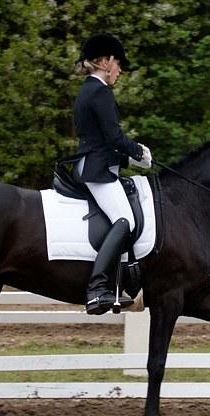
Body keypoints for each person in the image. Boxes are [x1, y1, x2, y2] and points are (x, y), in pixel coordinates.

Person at [73, 33, 153, 315]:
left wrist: (127, 156)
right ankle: (97, 289)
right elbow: (114, 137)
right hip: (96, 169)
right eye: (118, 63)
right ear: (106, 61)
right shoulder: (99, 92)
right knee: (126, 220)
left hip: (94, 163)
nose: (120, 70)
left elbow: (102, 141)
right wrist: (140, 153)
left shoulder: (88, 90)